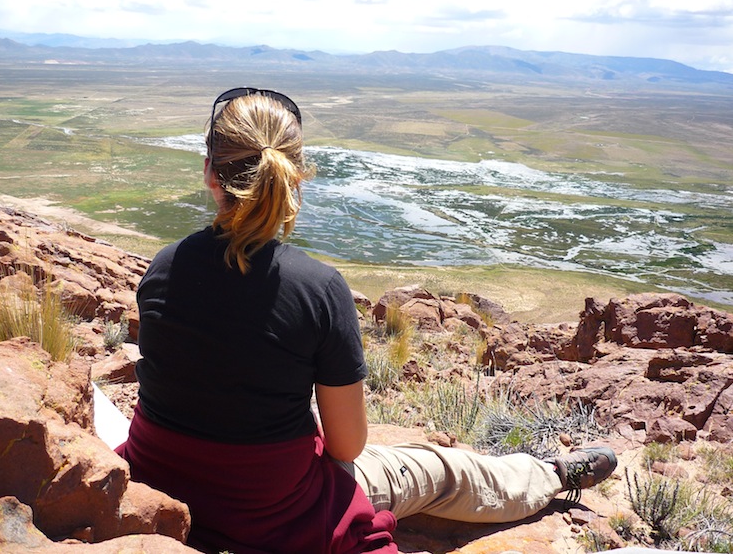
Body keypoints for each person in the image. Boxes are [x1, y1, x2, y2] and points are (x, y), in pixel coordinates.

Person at [115, 87, 617, 554]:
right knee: (441, 470)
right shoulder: (318, 288)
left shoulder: (162, 266)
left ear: (209, 172)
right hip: (276, 508)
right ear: (295, 175)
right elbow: (347, 446)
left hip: (163, 484)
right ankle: (549, 474)